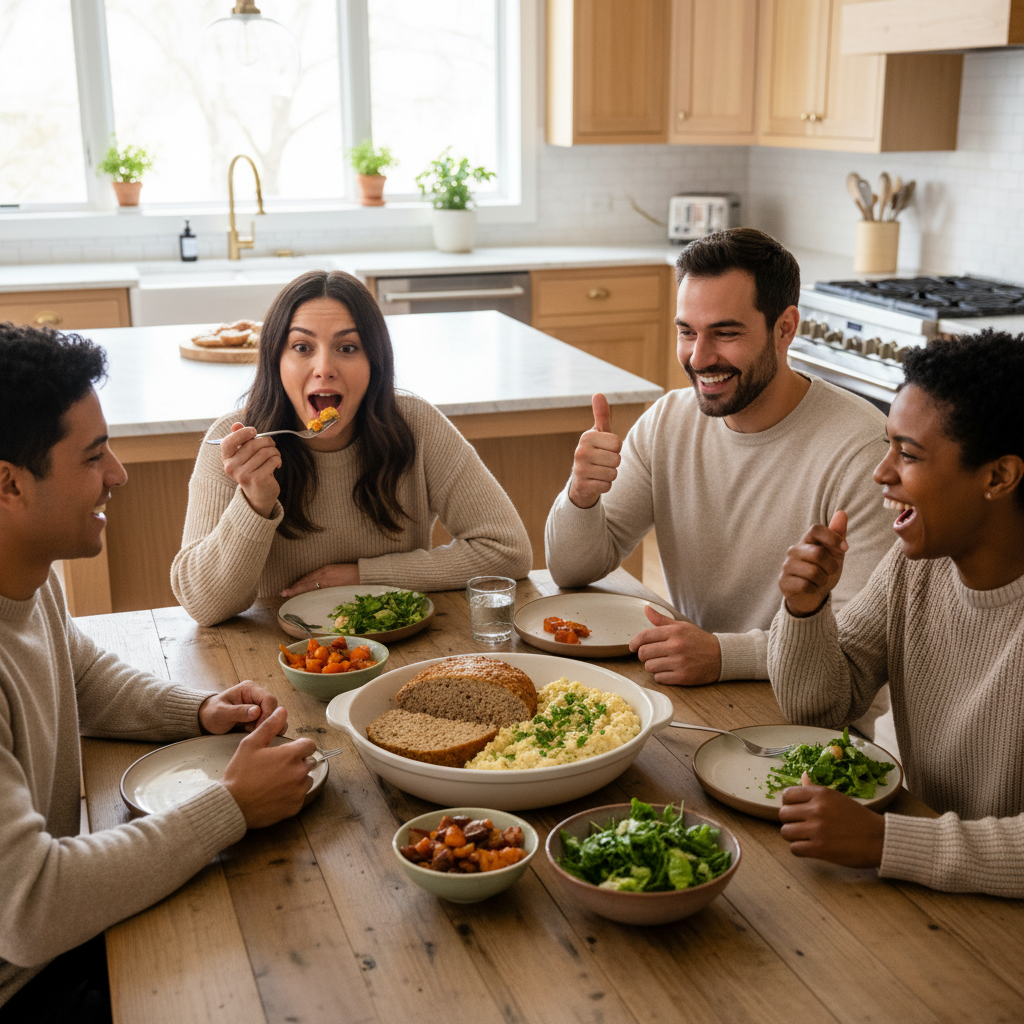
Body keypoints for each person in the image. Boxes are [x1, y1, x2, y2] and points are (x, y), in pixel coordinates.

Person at [0, 322, 319, 1018]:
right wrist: (230, 806)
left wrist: (198, 713)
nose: (117, 473)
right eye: (92, 457)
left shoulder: (28, 577)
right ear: (8, 484)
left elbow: (78, 674)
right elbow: (32, 907)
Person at [544, 228, 895, 706]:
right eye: (687, 331)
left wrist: (724, 655)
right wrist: (581, 497)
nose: (699, 357)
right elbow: (570, 570)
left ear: (785, 328)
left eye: (725, 333)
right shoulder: (668, 421)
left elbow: (853, 650)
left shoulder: (863, 449)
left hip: (813, 717)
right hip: (693, 686)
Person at [769, 329, 1024, 897]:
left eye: (907, 455)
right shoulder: (918, 565)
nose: (882, 474)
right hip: (935, 888)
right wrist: (806, 611)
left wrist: (887, 842)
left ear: (998, 477)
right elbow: (824, 703)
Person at [171, 269, 532, 627]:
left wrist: (365, 577)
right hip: (278, 654)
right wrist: (254, 502)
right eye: (302, 347)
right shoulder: (236, 444)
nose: (324, 368)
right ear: (275, 360)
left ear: (375, 362)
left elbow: (507, 552)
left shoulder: (417, 426)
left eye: (347, 348)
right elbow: (204, 607)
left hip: (399, 646)